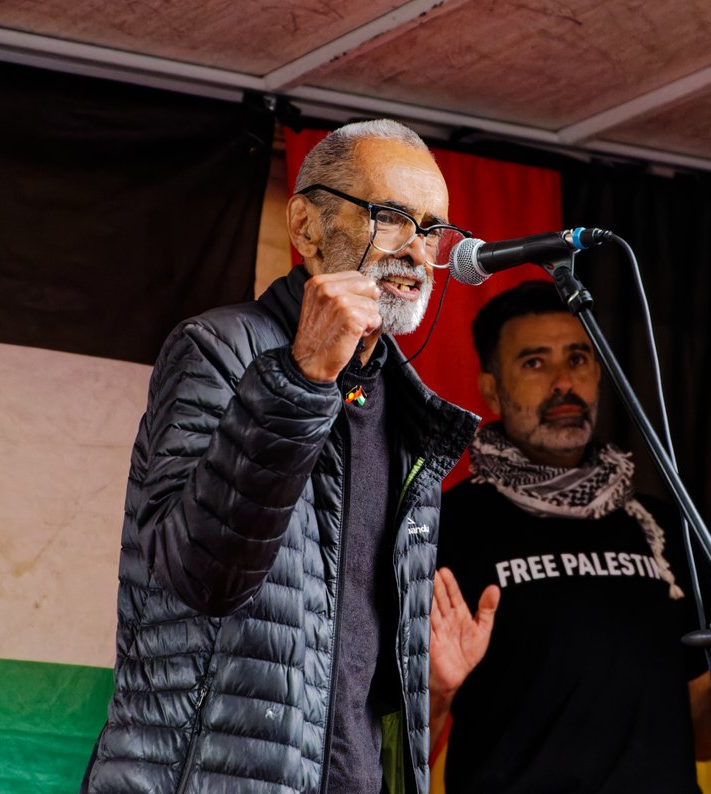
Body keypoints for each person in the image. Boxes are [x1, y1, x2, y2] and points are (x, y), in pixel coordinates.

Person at [81, 119, 478, 794]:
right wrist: (300, 381)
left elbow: (345, 672)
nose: (417, 251)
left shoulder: (412, 418)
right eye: (392, 218)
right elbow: (198, 579)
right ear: (306, 225)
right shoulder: (219, 349)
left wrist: (429, 690)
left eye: (432, 229)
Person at [429, 281, 711, 793]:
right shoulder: (447, 524)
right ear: (491, 389)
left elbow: (702, 727)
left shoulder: (661, 526)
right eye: (534, 363)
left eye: (578, 358)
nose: (563, 382)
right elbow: (397, 738)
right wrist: (437, 691)